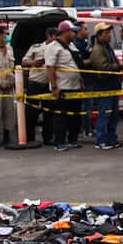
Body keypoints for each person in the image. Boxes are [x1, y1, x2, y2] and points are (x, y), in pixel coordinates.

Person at [83, 22, 123, 149]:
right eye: (106, 33)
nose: (109, 36)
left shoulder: (107, 47)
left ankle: (111, 138)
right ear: (99, 35)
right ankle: (101, 140)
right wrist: (119, 67)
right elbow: (103, 68)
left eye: (109, 33)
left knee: (113, 114)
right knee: (104, 113)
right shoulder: (97, 50)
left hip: (112, 84)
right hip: (104, 85)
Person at [45, 20, 84, 152]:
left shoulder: (72, 46)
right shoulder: (53, 47)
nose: (74, 33)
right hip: (62, 87)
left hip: (75, 86)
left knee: (75, 116)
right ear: (65, 32)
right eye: (72, 31)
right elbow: (50, 68)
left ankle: (73, 140)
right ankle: (60, 141)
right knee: (61, 116)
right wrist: (54, 87)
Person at [23, 26, 56, 145]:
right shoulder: (36, 48)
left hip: (48, 85)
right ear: (49, 36)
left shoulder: (57, 49)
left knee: (49, 113)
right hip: (35, 83)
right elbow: (24, 61)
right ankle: (29, 137)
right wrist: (33, 63)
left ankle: (48, 137)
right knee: (31, 113)